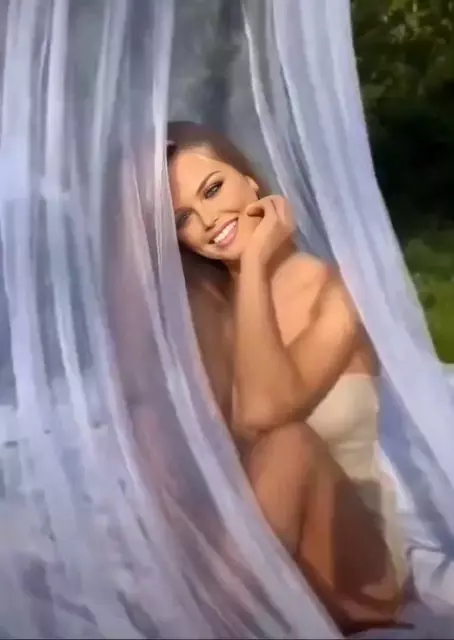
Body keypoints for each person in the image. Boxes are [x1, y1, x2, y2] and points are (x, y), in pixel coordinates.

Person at [164, 120, 412, 635]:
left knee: (289, 444)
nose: (208, 220)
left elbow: (263, 414)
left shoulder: (339, 292)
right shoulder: (206, 318)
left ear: (251, 180)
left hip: (351, 564)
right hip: (259, 554)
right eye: (184, 217)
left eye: (213, 189)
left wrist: (255, 263)